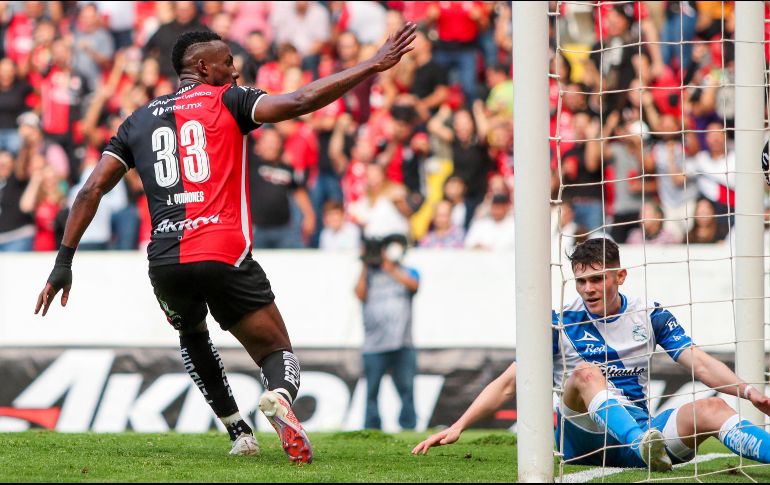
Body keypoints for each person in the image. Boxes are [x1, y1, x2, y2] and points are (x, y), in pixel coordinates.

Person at [35, 24, 417, 462]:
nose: (235, 72)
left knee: (192, 335)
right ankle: (279, 399)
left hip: (164, 261)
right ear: (202, 67)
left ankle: (239, 433)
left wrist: (64, 261)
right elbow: (300, 100)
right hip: (222, 251)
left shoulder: (137, 120)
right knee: (276, 351)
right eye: (228, 63)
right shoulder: (230, 100)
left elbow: (90, 191)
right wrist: (373, 64)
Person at [414, 238, 770, 472]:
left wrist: (749, 392)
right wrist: (458, 426)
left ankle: (646, 445)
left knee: (713, 408)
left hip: (644, 436)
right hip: (581, 438)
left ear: (621, 275)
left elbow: (701, 363)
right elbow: (510, 383)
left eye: (598, 279)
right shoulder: (559, 323)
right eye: (581, 281)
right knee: (585, 374)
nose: (589, 289)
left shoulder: (650, 314)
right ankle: (641, 443)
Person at [355, 236, 419, 431]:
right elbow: (359, 294)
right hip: (374, 345)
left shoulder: (408, 271)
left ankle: (409, 426)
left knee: (407, 390)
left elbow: (414, 285)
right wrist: (365, 265)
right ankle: (372, 428)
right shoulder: (368, 274)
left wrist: (390, 268)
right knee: (372, 391)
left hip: (402, 343)